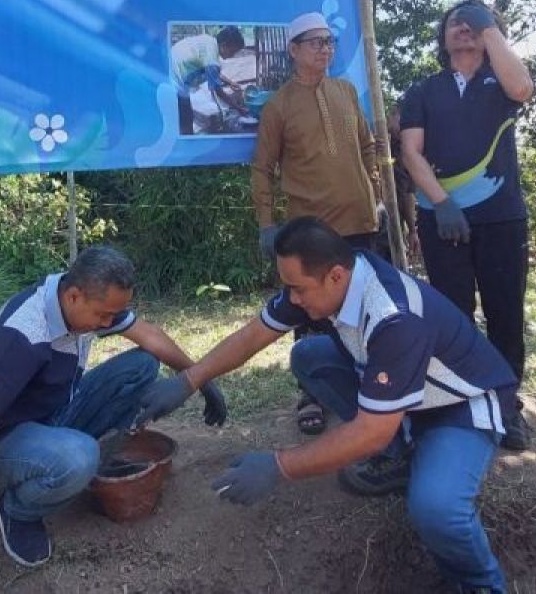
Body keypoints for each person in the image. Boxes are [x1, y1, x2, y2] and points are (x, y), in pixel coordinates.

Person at [136, 217, 516, 594]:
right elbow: (255, 334)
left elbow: (370, 432)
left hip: (459, 406)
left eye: (298, 289)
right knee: (309, 356)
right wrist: (189, 380)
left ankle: (483, 584)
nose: (293, 299)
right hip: (405, 396)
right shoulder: (336, 276)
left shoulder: (394, 318)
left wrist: (279, 465)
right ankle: (402, 458)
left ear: (335, 276)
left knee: (437, 511)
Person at [0, 246, 227, 592]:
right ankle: (17, 509)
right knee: (79, 457)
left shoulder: (79, 297)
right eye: (104, 316)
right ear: (74, 296)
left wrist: (197, 380)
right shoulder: (20, 337)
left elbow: (150, 336)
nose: (109, 324)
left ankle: (69, 457)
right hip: (0, 444)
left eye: (114, 316)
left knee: (143, 365)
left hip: (52, 411)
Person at [400, 0, 535, 451]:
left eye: (471, 23)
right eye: (454, 23)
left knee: (505, 313)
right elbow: (410, 153)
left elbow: (524, 88)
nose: (462, 28)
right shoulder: (423, 91)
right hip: (443, 220)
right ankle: (461, 404)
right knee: (454, 315)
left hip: (502, 218)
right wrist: (441, 204)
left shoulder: (501, 84)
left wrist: (489, 26)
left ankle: (507, 404)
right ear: (441, 38)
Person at [251, 11, 382, 436]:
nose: (325, 49)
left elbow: (367, 149)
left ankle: (369, 388)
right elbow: (262, 168)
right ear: (293, 50)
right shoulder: (279, 105)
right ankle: (311, 395)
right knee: (309, 312)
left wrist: (378, 197)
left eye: (329, 42)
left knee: (364, 310)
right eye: (315, 42)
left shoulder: (346, 91)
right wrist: (267, 225)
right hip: (310, 231)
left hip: (361, 222)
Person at [171, 26, 248, 134]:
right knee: (186, 120)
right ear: (225, 45)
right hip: (175, 82)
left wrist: (230, 82)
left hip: (170, 69)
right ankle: (187, 146)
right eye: (233, 51)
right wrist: (238, 108)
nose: (232, 55)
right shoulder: (211, 58)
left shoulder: (209, 41)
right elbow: (217, 90)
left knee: (183, 117)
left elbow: (212, 72)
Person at [378, 103, 420, 263]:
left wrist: (412, 230)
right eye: (403, 122)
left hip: (395, 222)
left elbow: (408, 192)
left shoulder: (407, 148)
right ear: (392, 115)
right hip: (373, 220)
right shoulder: (374, 139)